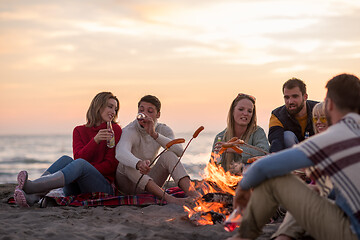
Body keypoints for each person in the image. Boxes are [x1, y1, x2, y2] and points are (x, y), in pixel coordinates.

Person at [227, 73, 360, 240]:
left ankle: (244, 237)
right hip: (347, 217)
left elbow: (263, 167)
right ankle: (284, 237)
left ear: (330, 105)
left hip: (351, 231)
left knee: (274, 181)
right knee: (313, 191)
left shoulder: (336, 136)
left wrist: (243, 188)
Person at [14, 92, 122, 207]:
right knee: (66, 159)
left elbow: (111, 166)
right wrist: (95, 141)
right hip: (75, 189)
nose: (113, 112)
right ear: (98, 106)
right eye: (110, 106)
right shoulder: (79, 130)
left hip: (102, 186)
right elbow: (79, 157)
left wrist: (81, 172)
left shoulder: (115, 130)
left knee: (80, 165)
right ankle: (34, 196)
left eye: (115, 109)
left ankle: (32, 186)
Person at [115, 95, 199, 205]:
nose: (144, 114)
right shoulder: (130, 130)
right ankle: (170, 199)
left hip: (148, 184)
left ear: (158, 114)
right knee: (126, 164)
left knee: (168, 155)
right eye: (141, 110)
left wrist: (154, 135)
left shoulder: (163, 129)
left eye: (150, 111)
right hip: (127, 185)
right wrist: (138, 163)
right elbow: (120, 152)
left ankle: (194, 195)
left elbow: (179, 152)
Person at [272, 101, 332, 240]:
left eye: (323, 118)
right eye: (315, 118)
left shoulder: (333, 143)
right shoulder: (315, 143)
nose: (318, 122)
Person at [210, 93, 269, 175]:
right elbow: (213, 166)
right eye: (241, 109)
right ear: (232, 111)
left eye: (249, 111)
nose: (245, 113)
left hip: (251, 180)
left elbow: (264, 153)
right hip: (227, 182)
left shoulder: (257, 132)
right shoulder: (220, 137)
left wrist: (236, 149)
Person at [268, 78, 318, 153]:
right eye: (287, 97)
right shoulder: (277, 115)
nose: (290, 101)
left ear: (305, 97)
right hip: (293, 156)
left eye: (295, 96)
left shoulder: (319, 110)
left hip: (318, 152)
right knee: (287, 136)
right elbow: (276, 141)